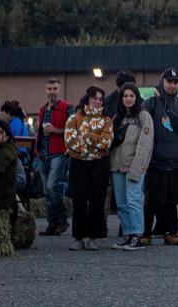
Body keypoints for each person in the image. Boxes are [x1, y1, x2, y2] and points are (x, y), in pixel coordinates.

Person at [141, 68, 178, 246]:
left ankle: (170, 233)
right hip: (155, 161)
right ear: (162, 82)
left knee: (173, 200)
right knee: (151, 199)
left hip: (176, 161)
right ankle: (145, 233)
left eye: (175, 82)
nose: (172, 85)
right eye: (169, 81)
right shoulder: (151, 103)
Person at [64, 86, 114, 251]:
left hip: (99, 164)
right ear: (87, 99)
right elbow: (70, 143)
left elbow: (106, 142)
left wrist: (86, 136)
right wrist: (95, 143)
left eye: (100, 99)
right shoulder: (74, 118)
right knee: (78, 201)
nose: (97, 101)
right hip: (78, 163)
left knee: (96, 201)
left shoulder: (107, 120)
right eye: (95, 98)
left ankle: (94, 237)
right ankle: (78, 237)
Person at [109, 82, 153, 251]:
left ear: (137, 97)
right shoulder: (117, 118)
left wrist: (138, 166)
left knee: (134, 200)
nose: (128, 99)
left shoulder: (143, 116)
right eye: (125, 96)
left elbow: (145, 144)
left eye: (131, 96)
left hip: (134, 165)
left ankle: (137, 235)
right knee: (121, 203)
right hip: (117, 166)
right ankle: (127, 235)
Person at [35, 77, 72, 236]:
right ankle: (52, 223)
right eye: (50, 89)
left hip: (59, 152)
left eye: (55, 89)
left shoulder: (67, 107)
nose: (52, 92)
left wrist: (55, 130)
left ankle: (62, 220)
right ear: (46, 90)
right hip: (43, 153)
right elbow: (41, 133)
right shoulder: (43, 109)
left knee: (51, 186)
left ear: (59, 89)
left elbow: (73, 131)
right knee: (47, 190)